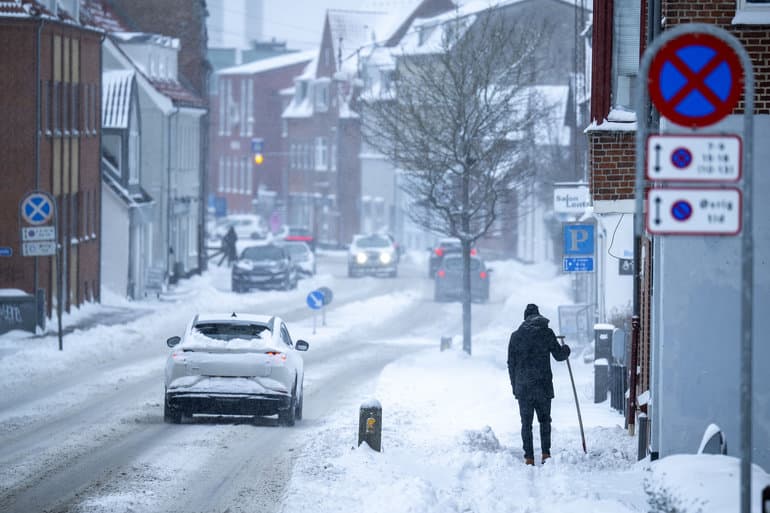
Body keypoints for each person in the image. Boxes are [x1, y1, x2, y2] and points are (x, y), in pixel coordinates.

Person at [507, 303, 570, 466]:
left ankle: (529, 457)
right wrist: (566, 349)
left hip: (524, 387)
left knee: (526, 424)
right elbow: (559, 356)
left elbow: (511, 364)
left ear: (525, 318)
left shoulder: (516, 336)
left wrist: (515, 386)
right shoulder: (546, 333)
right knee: (545, 421)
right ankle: (545, 454)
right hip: (542, 385)